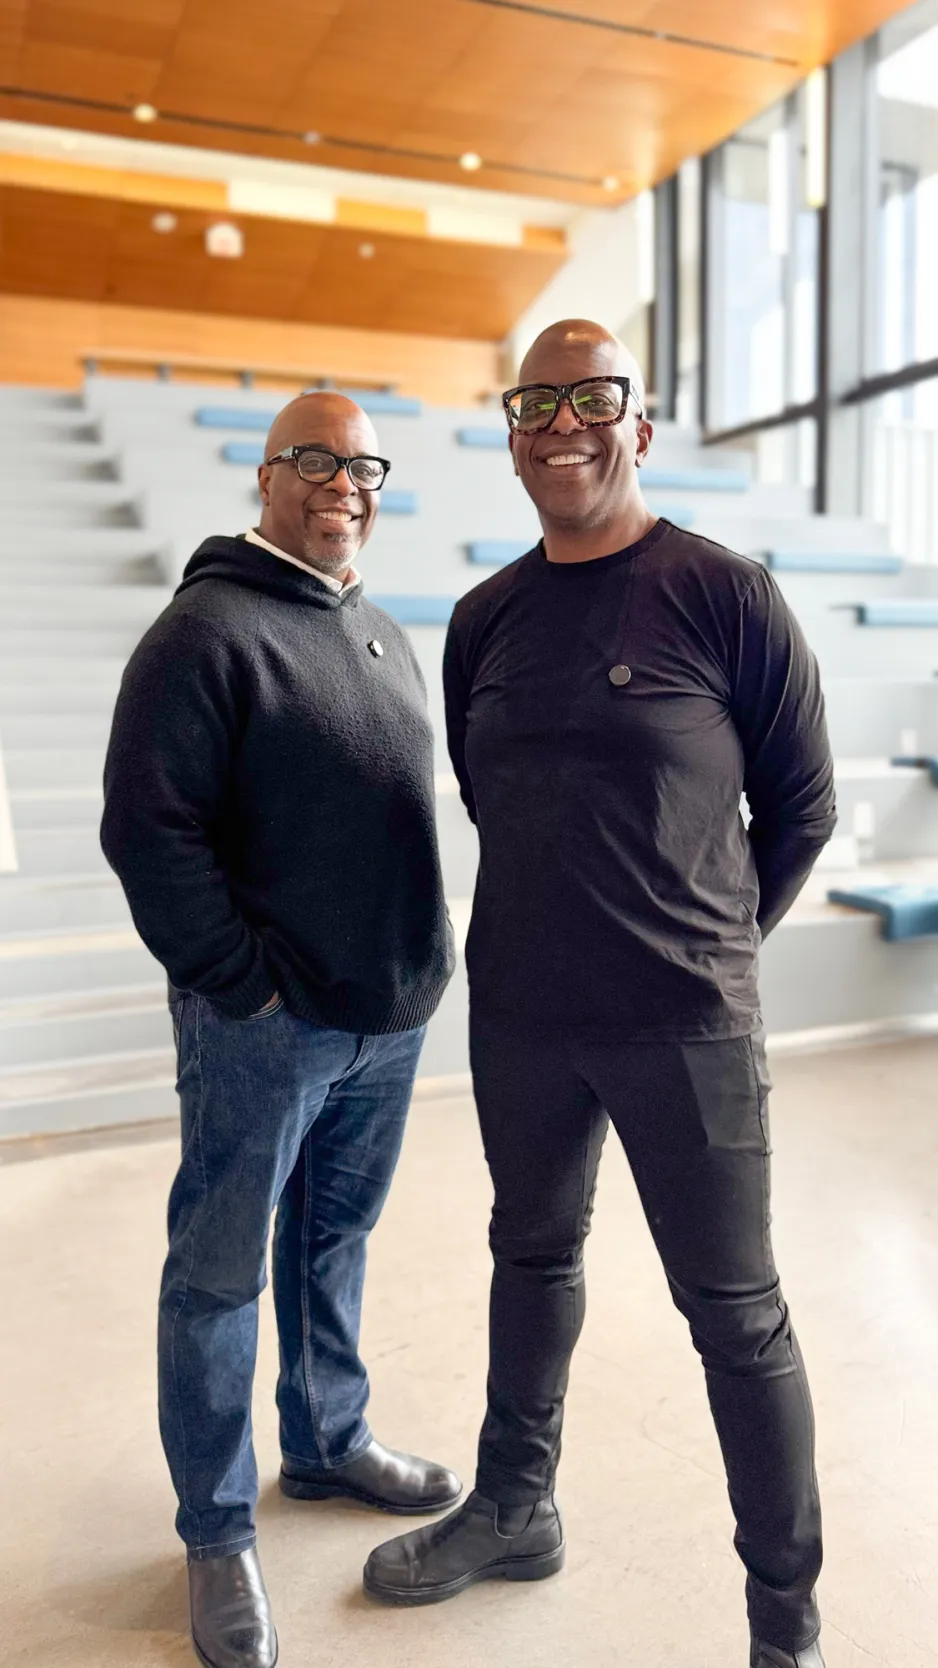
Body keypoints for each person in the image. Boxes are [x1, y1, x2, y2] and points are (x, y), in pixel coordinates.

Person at [363, 322, 836, 1668]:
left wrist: (711, 942)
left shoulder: (722, 595)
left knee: (735, 1319)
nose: (561, 420)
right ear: (512, 429)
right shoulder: (485, 618)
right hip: (520, 1015)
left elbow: (798, 809)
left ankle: (781, 1619)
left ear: (636, 423)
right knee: (530, 1256)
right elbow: (483, 788)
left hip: (685, 1027)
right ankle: (514, 1506)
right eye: (536, 400)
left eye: (590, 396)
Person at [101, 391, 460, 1668]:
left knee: (334, 1242)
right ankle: (213, 1528)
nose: (341, 483)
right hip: (269, 1025)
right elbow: (147, 832)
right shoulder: (203, 632)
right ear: (264, 478)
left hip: (387, 1017)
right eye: (313, 460)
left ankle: (323, 1443)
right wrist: (239, 988)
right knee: (218, 1273)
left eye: (361, 465)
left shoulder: (369, 625)